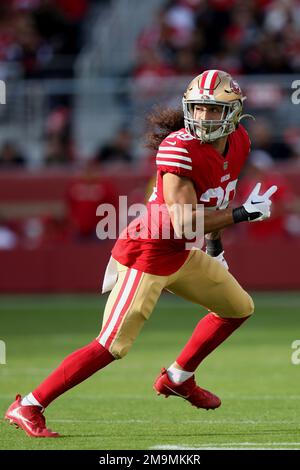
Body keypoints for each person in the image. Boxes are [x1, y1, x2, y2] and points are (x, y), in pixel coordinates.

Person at [5, 70, 277, 437]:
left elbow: (218, 200)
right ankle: (29, 405)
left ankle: (179, 377)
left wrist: (215, 247)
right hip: (148, 252)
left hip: (182, 252)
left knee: (237, 308)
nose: (203, 118)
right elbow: (183, 221)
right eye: (197, 110)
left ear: (234, 113)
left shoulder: (239, 141)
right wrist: (245, 213)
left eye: (213, 111)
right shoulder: (179, 148)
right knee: (112, 345)